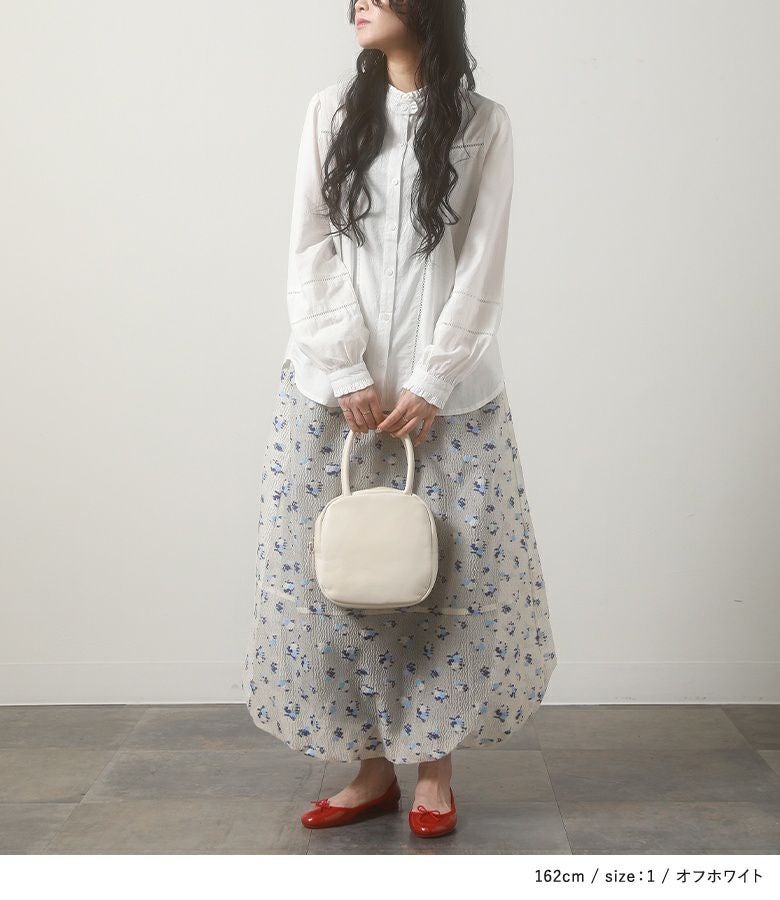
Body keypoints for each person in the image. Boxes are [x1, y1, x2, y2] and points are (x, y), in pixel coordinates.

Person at [242, 0, 557, 839]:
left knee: (442, 579)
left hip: (446, 401)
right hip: (331, 394)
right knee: (344, 579)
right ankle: (371, 768)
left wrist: (434, 376)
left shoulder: (484, 124)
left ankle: (434, 770)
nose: (360, 2)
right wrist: (344, 364)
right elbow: (308, 246)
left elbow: (483, 261)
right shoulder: (332, 111)